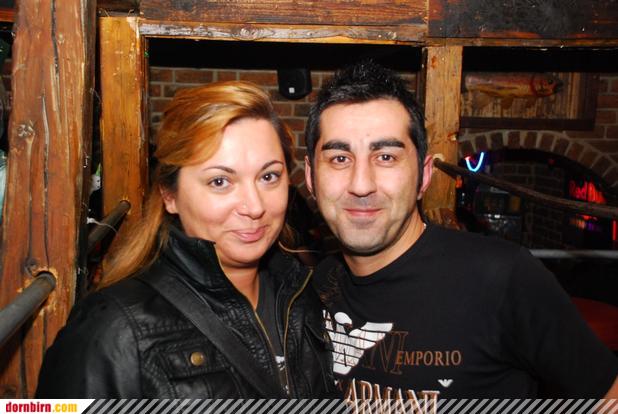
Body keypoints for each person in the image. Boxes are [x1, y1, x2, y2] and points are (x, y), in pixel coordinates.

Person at [303, 61, 618, 402]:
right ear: (310, 177)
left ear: (424, 176)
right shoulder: (317, 286)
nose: (361, 184)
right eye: (339, 158)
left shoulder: (503, 278)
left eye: (386, 157)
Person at [36, 81, 335, 398]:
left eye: (268, 176)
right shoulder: (112, 330)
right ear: (170, 195)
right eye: (220, 181)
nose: (255, 206)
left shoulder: (307, 293)